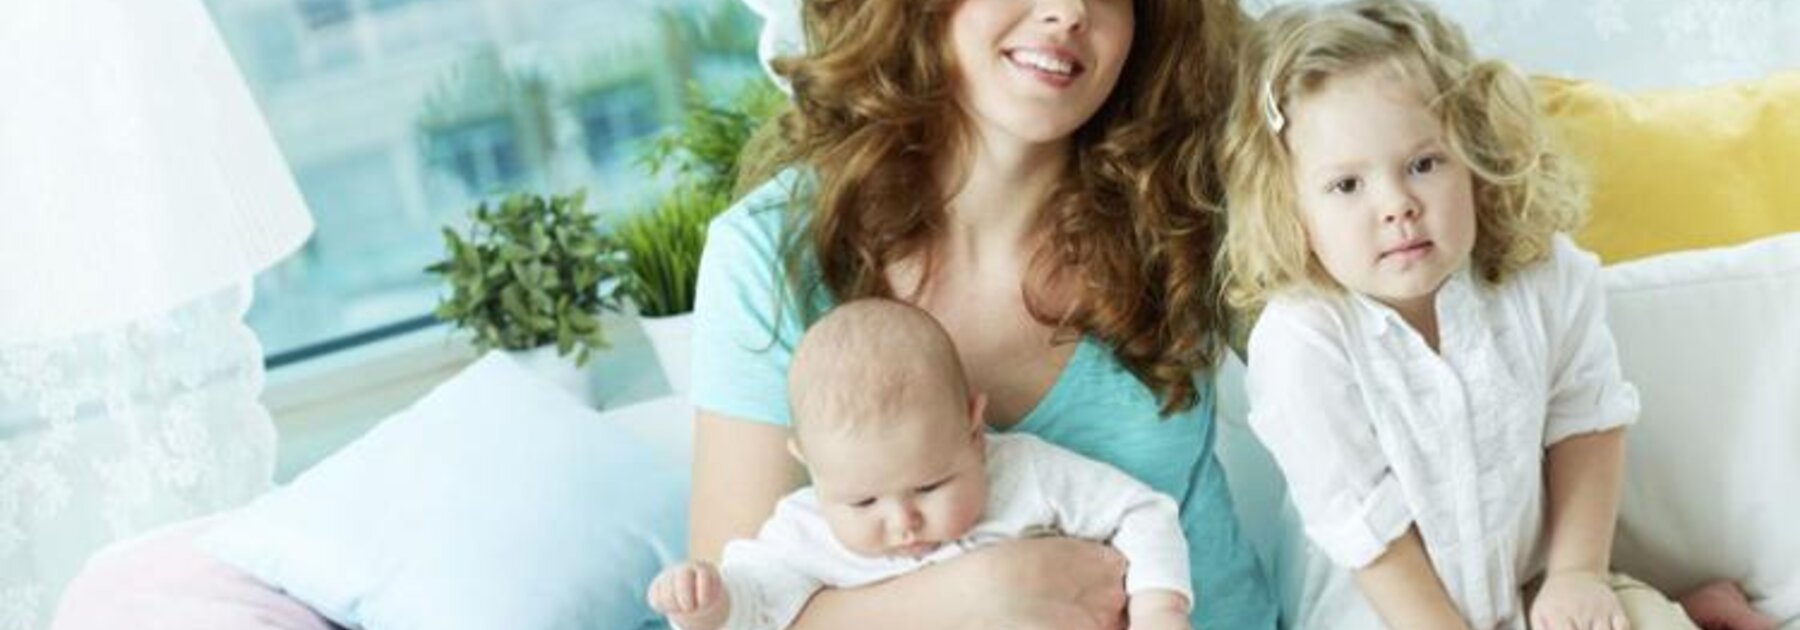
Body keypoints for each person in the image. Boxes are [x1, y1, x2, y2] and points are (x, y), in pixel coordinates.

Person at [688, 0, 1277, 628]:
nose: (1068, 13)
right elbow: (732, 612)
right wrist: (979, 597)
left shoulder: (1189, 210)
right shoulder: (769, 253)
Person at [1216, 1, 1778, 629]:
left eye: (1423, 164)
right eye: (1347, 185)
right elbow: (1371, 537)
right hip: (1391, 613)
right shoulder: (1302, 345)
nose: (1397, 205)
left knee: (1631, 618)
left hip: (1533, 587)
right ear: (1288, 206)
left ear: (1474, 157)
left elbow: (1586, 422)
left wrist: (1576, 575)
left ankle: (1691, 610)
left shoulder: (1540, 275)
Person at [652, 299, 1193, 630]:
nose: (903, 521)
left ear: (974, 431)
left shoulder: (1023, 471)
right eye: (864, 501)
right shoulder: (805, 530)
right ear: (812, 468)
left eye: (931, 486)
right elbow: (758, 607)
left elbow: (1141, 512)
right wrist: (709, 604)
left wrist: (1159, 610)